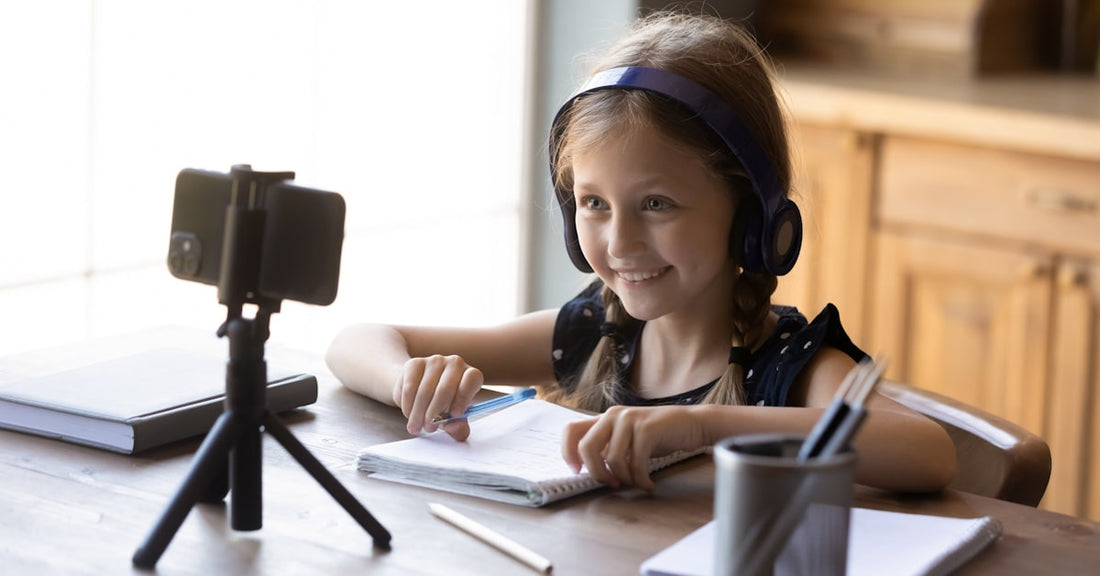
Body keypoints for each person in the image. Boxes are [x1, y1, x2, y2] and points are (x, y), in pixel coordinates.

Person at [326, 11, 955, 494]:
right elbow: (355, 341)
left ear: (751, 218)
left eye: (656, 204)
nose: (620, 243)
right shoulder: (597, 330)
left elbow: (927, 450)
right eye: (594, 204)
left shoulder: (789, 369)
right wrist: (409, 380)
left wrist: (700, 428)